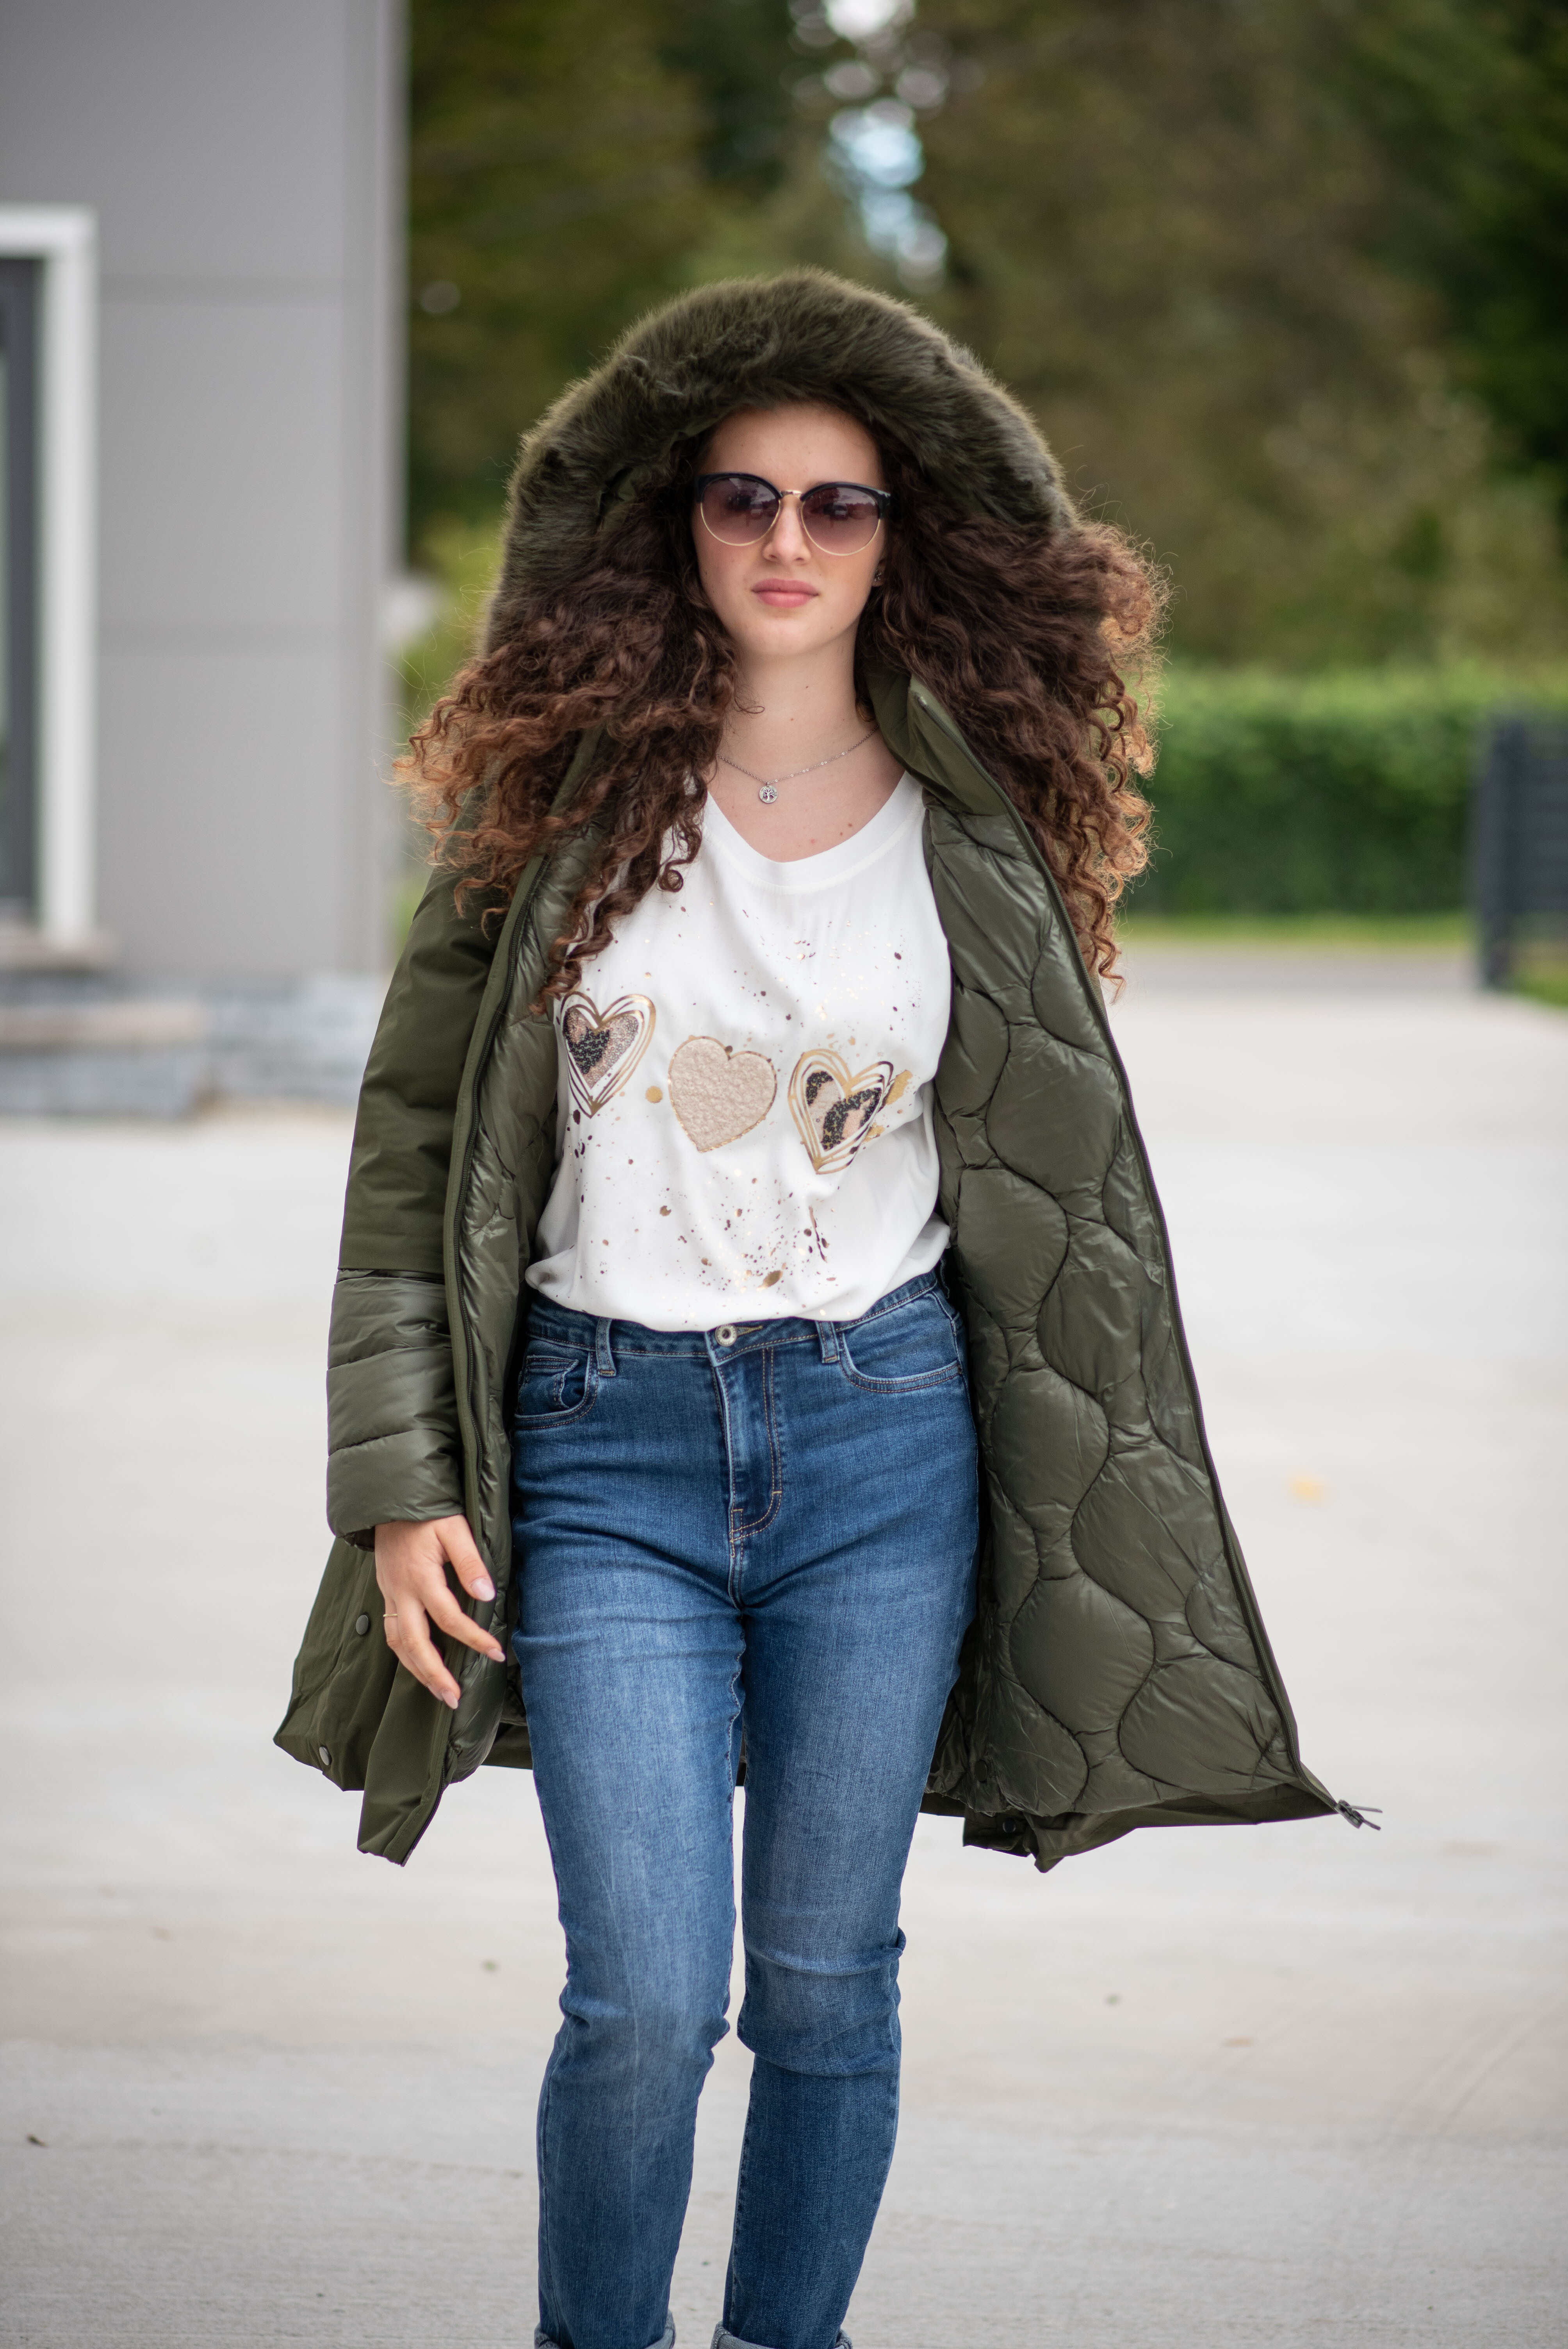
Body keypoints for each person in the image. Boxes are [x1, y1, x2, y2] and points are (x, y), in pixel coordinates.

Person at [279, 271, 1345, 2349]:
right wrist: (400, 1480)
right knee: (643, 2001)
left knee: (830, 1987)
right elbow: (412, 1152)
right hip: (603, 1448)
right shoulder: (558, 804)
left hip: (882, 1443)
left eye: (839, 504)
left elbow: (1051, 1187)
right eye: (742, 497)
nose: (788, 539)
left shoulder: (980, 820)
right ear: (672, 525)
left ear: (900, 534)